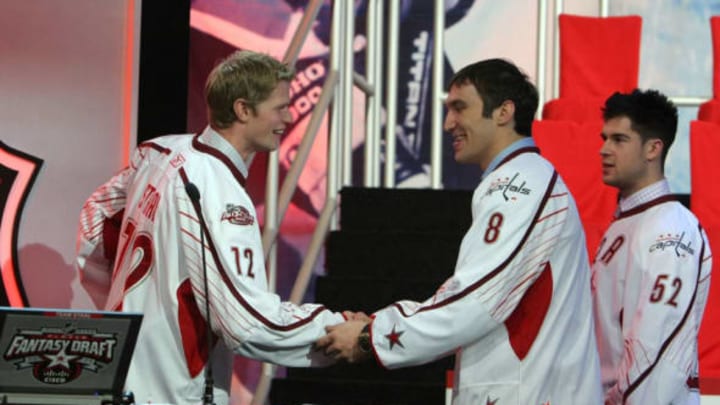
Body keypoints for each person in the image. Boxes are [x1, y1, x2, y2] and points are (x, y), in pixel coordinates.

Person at [316, 58, 603, 404]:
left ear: (503, 112)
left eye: (459, 108)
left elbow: (473, 302)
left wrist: (369, 338)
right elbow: (470, 298)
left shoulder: (520, 185)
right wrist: (376, 326)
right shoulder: (519, 180)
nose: (448, 123)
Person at [75, 50, 344, 405]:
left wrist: (121, 307)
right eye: (279, 107)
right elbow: (246, 323)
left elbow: (94, 223)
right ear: (243, 110)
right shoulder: (222, 196)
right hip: (174, 391)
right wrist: (336, 331)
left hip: (118, 376)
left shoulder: (158, 152)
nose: (289, 116)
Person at [592, 89, 712, 404]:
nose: (604, 149)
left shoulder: (671, 230)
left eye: (619, 140)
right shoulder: (626, 224)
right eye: (604, 138)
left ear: (653, 148)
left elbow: (655, 349)